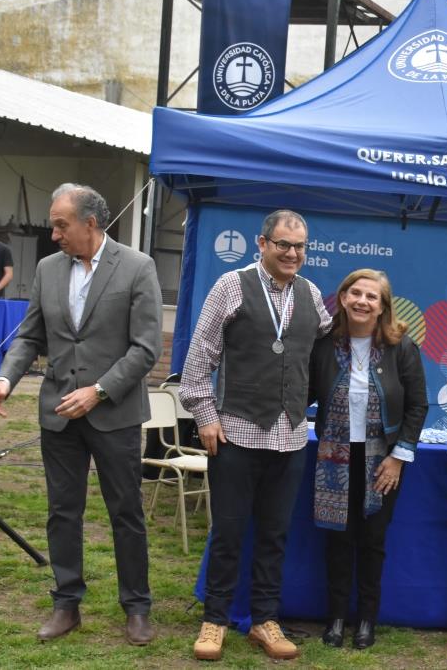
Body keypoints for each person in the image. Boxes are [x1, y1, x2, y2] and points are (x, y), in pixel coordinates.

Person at [0, 183, 162, 645]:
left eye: (62, 224)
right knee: (63, 512)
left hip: (115, 414)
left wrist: (99, 391)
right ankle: (66, 604)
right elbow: (29, 336)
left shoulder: (138, 267)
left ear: (90, 223)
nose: (55, 232)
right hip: (58, 414)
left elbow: (145, 349)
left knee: (126, 512)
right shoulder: (46, 269)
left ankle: (137, 607)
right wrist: (6, 378)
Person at [179, 209, 331, 662]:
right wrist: (205, 415)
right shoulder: (230, 285)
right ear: (261, 244)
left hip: (289, 437)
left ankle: (265, 620)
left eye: (300, 246)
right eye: (283, 244)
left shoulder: (312, 294)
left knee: (275, 534)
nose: (292, 253)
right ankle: (215, 620)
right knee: (228, 532)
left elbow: (332, 344)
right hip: (236, 433)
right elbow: (198, 359)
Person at [309, 269, 428, 650]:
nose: (362, 301)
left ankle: (366, 621)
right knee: (338, 541)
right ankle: (337, 618)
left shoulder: (401, 345)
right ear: (342, 298)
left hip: (383, 458)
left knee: (373, 541)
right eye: (355, 293)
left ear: (383, 307)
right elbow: (302, 391)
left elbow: (418, 405)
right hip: (335, 457)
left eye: (371, 296)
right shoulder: (325, 343)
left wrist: (398, 457)